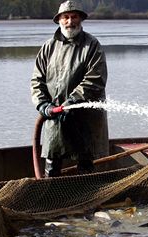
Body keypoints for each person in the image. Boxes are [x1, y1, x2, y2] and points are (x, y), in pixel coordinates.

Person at [31, 0, 109, 177]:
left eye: (74, 17)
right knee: (52, 162)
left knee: (85, 163)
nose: (70, 21)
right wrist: (43, 105)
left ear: (80, 19)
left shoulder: (92, 45)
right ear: (59, 20)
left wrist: (73, 101)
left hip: (84, 118)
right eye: (65, 17)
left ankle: (88, 201)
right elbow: (37, 80)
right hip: (55, 116)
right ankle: (52, 199)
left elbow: (95, 79)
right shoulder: (48, 47)